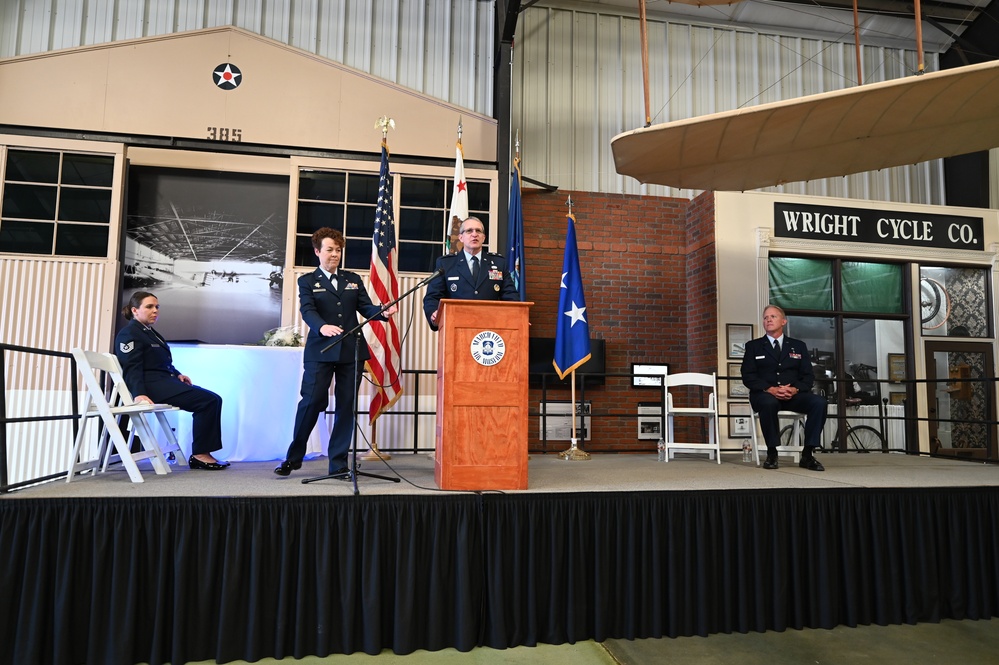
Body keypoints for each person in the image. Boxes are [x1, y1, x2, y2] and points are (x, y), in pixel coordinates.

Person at [275, 227, 397, 478]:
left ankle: (338, 463)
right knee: (311, 402)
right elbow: (307, 310)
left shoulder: (352, 279)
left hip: (351, 351)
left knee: (346, 406)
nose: (334, 254)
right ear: (318, 251)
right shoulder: (307, 281)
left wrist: (382, 312)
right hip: (321, 349)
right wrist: (322, 326)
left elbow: (366, 306)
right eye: (329, 249)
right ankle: (294, 456)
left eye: (338, 250)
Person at [114, 291, 228, 470]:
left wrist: (177, 374)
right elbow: (131, 367)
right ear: (135, 310)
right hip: (152, 386)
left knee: (213, 399)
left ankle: (203, 452)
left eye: (157, 307)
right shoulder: (129, 333)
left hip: (165, 381)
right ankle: (200, 454)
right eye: (149, 307)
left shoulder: (149, 332)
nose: (155, 311)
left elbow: (160, 362)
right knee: (208, 401)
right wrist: (139, 394)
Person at [740, 304, 827, 471]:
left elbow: (808, 376)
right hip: (765, 395)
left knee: (819, 403)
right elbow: (748, 376)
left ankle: (808, 453)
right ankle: (772, 453)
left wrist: (795, 389)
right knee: (768, 403)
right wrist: (770, 389)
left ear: (784, 321)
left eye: (773, 316)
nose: (768, 320)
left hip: (793, 395)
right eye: (765, 317)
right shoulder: (754, 346)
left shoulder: (798, 346)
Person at [422, 216, 519, 330]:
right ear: (461, 237)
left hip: (491, 328)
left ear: (483, 237)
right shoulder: (446, 264)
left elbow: (511, 296)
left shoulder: (499, 263)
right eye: (469, 231)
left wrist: (518, 317)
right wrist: (434, 312)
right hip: (456, 327)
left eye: (478, 231)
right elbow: (432, 297)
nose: (474, 234)